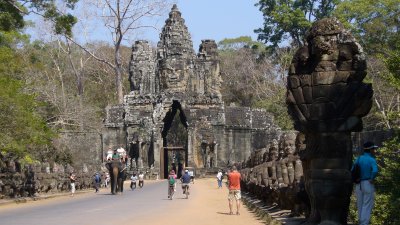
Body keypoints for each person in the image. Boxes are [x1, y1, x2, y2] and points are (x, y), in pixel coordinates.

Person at [352, 141, 378, 225]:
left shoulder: (359, 158)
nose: (375, 150)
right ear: (370, 150)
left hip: (358, 184)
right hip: (367, 183)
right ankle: (364, 223)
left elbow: (352, 170)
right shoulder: (371, 159)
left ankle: (360, 222)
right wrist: (372, 178)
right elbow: (375, 170)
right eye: (374, 148)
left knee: (360, 204)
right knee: (367, 205)